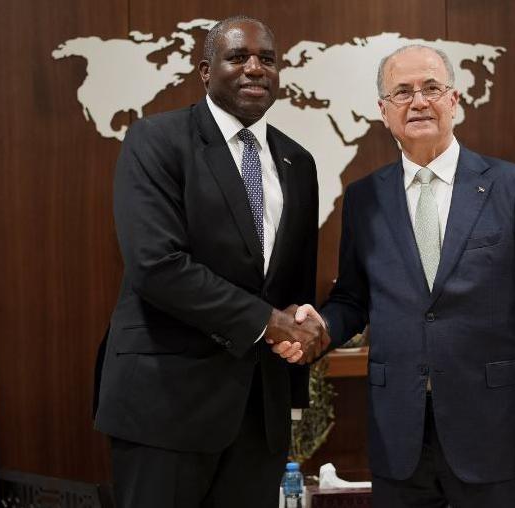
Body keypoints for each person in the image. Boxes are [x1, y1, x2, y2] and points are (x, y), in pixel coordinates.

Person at [284, 45, 515, 507]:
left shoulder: (513, 188)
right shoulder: (363, 199)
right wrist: (319, 327)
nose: (418, 101)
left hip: (496, 433)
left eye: (431, 88)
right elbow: (354, 301)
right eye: (402, 92)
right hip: (400, 435)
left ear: (454, 101)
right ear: (383, 111)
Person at [93, 15, 326, 508]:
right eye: (238, 57)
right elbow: (157, 264)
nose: (255, 69)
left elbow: (292, 286)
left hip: (258, 415)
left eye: (267, 59)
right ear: (205, 70)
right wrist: (270, 323)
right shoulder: (155, 141)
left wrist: (303, 330)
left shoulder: (298, 162)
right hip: (165, 407)